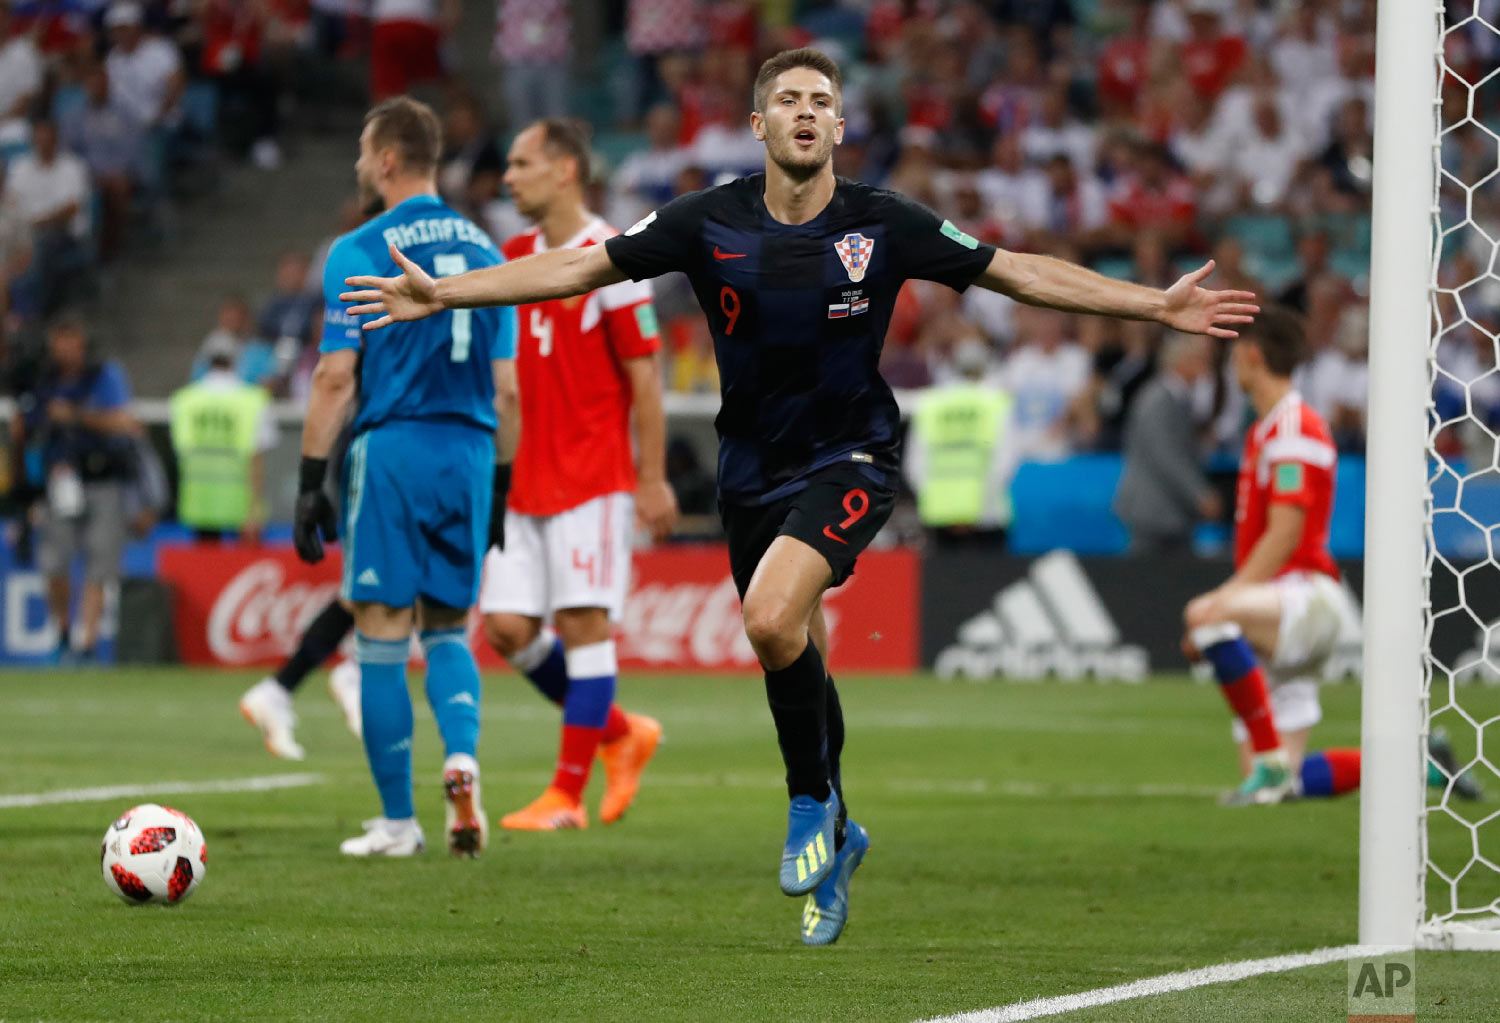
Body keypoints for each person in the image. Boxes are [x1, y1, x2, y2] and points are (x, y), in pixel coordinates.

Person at [339, 48, 1258, 944]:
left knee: (772, 619)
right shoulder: (707, 219)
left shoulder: (883, 221)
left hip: (850, 458)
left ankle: (807, 801)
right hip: (750, 472)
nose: (807, 110)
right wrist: (447, 295)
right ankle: (843, 828)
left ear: (841, 124)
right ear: (760, 123)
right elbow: (580, 267)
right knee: (801, 647)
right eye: (789, 99)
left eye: (822, 97)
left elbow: (1015, 269)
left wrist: (1152, 304)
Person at [295, 96, 519, 859]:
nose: (360, 165)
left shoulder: (359, 246)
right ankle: (462, 758)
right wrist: (501, 489)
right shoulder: (490, 254)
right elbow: (510, 389)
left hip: (394, 449)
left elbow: (334, 376)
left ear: (388, 159)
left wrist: (308, 479)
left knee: (383, 631)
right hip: (469, 454)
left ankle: (398, 821)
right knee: (449, 626)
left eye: (365, 151)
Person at [1182, 306, 1481, 806]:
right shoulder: (1268, 429)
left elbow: (1286, 531)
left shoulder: (1294, 427)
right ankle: (1422, 766)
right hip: (1284, 602)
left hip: (1305, 597)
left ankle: (1273, 766)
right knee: (1280, 785)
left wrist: (1226, 598)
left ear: (1252, 356)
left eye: (1236, 354)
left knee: (1205, 617)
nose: (1232, 366)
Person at [476, 119, 676, 830]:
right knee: (504, 627)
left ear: (565, 170)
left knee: (583, 622)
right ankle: (622, 734)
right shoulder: (514, 255)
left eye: (521, 162)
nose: (508, 177)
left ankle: (565, 793)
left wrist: (652, 477)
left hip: (592, 477)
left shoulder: (614, 259)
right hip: (520, 479)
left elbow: (644, 379)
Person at [14, 313, 140, 660]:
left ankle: (87, 640)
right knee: (54, 563)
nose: (66, 349)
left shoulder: (102, 376)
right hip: (59, 481)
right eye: (60, 340)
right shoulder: (42, 380)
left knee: (100, 563)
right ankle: (63, 629)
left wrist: (77, 416)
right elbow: (27, 425)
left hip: (102, 478)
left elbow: (125, 422)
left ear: (82, 343)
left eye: (72, 340)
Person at [1113, 332, 1220, 554]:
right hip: (1153, 511)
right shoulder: (1158, 400)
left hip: (1170, 511)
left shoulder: (1176, 398)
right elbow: (1166, 456)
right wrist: (1199, 494)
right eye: (1201, 359)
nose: (1206, 367)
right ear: (1184, 360)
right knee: (1148, 580)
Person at [904, 337, 1016, 548]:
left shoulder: (932, 403)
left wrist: (940, 503)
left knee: (940, 580)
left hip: (940, 514)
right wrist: (978, 510)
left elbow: (915, 464)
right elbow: (1005, 461)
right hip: (988, 515)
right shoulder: (996, 402)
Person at [168, 334, 275, 542]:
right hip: (241, 504)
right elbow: (257, 459)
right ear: (237, 359)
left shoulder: (184, 401)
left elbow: (180, 449)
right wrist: (254, 508)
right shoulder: (253, 400)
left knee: (205, 570)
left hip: (199, 503)